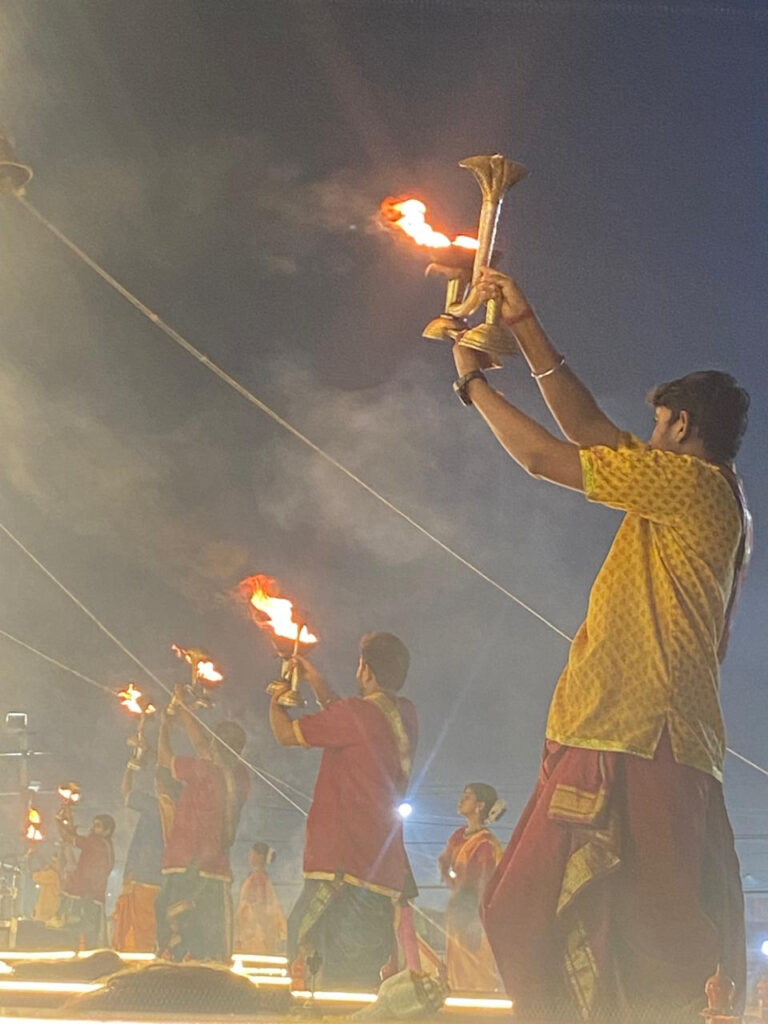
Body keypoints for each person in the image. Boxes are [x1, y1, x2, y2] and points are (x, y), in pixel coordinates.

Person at [450, 267, 751, 1022]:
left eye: (655, 426)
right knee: (614, 930)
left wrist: (471, 387)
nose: (644, 438)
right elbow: (588, 434)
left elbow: (545, 457)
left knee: (555, 915)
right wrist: (523, 326)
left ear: (680, 426)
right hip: (652, 734)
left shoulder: (690, 486)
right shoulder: (708, 494)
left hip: (633, 730)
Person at [269, 631, 418, 990]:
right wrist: (314, 678)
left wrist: (278, 700)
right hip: (380, 872)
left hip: (342, 870)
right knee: (359, 980)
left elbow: (286, 734)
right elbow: (352, 715)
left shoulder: (356, 714)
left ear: (366, 670)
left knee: (323, 971)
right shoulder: (406, 714)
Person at [155, 686, 250, 962]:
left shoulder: (204, 770)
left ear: (215, 745)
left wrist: (165, 725)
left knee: (181, 932)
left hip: (187, 862)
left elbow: (164, 757)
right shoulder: (241, 776)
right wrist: (184, 710)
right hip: (213, 865)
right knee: (208, 944)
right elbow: (202, 745)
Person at [438, 783, 504, 993]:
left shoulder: (486, 844)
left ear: (479, 805)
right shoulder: (459, 836)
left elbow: (485, 883)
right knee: (456, 965)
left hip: (474, 914)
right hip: (458, 908)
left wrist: (476, 918)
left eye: (467, 796)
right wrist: (453, 882)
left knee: (476, 967)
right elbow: (444, 861)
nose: (461, 799)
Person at [112, 748, 179, 953]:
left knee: (139, 933)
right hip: (168, 877)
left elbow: (126, 792)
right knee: (158, 930)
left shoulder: (155, 807)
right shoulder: (182, 809)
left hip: (144, 876)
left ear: (160, 786)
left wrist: (131, 767)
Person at [56, 813, 115, 948]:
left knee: (79, 928)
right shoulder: (105, 844)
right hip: (93, 893)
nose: (94, 828)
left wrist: (60, 823)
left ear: (107, 830)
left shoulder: (97, 843)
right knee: (90, 930)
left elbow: (69, 839)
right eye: (94, 825)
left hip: (88, 893)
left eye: (98, 826)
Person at [233, 841, 287, 955]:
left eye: (252, 854)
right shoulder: (259, 876)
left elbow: (259, 902)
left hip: (254, 925)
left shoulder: (258, 877)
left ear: (260, 857)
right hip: (251, 922)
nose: (249, 856)